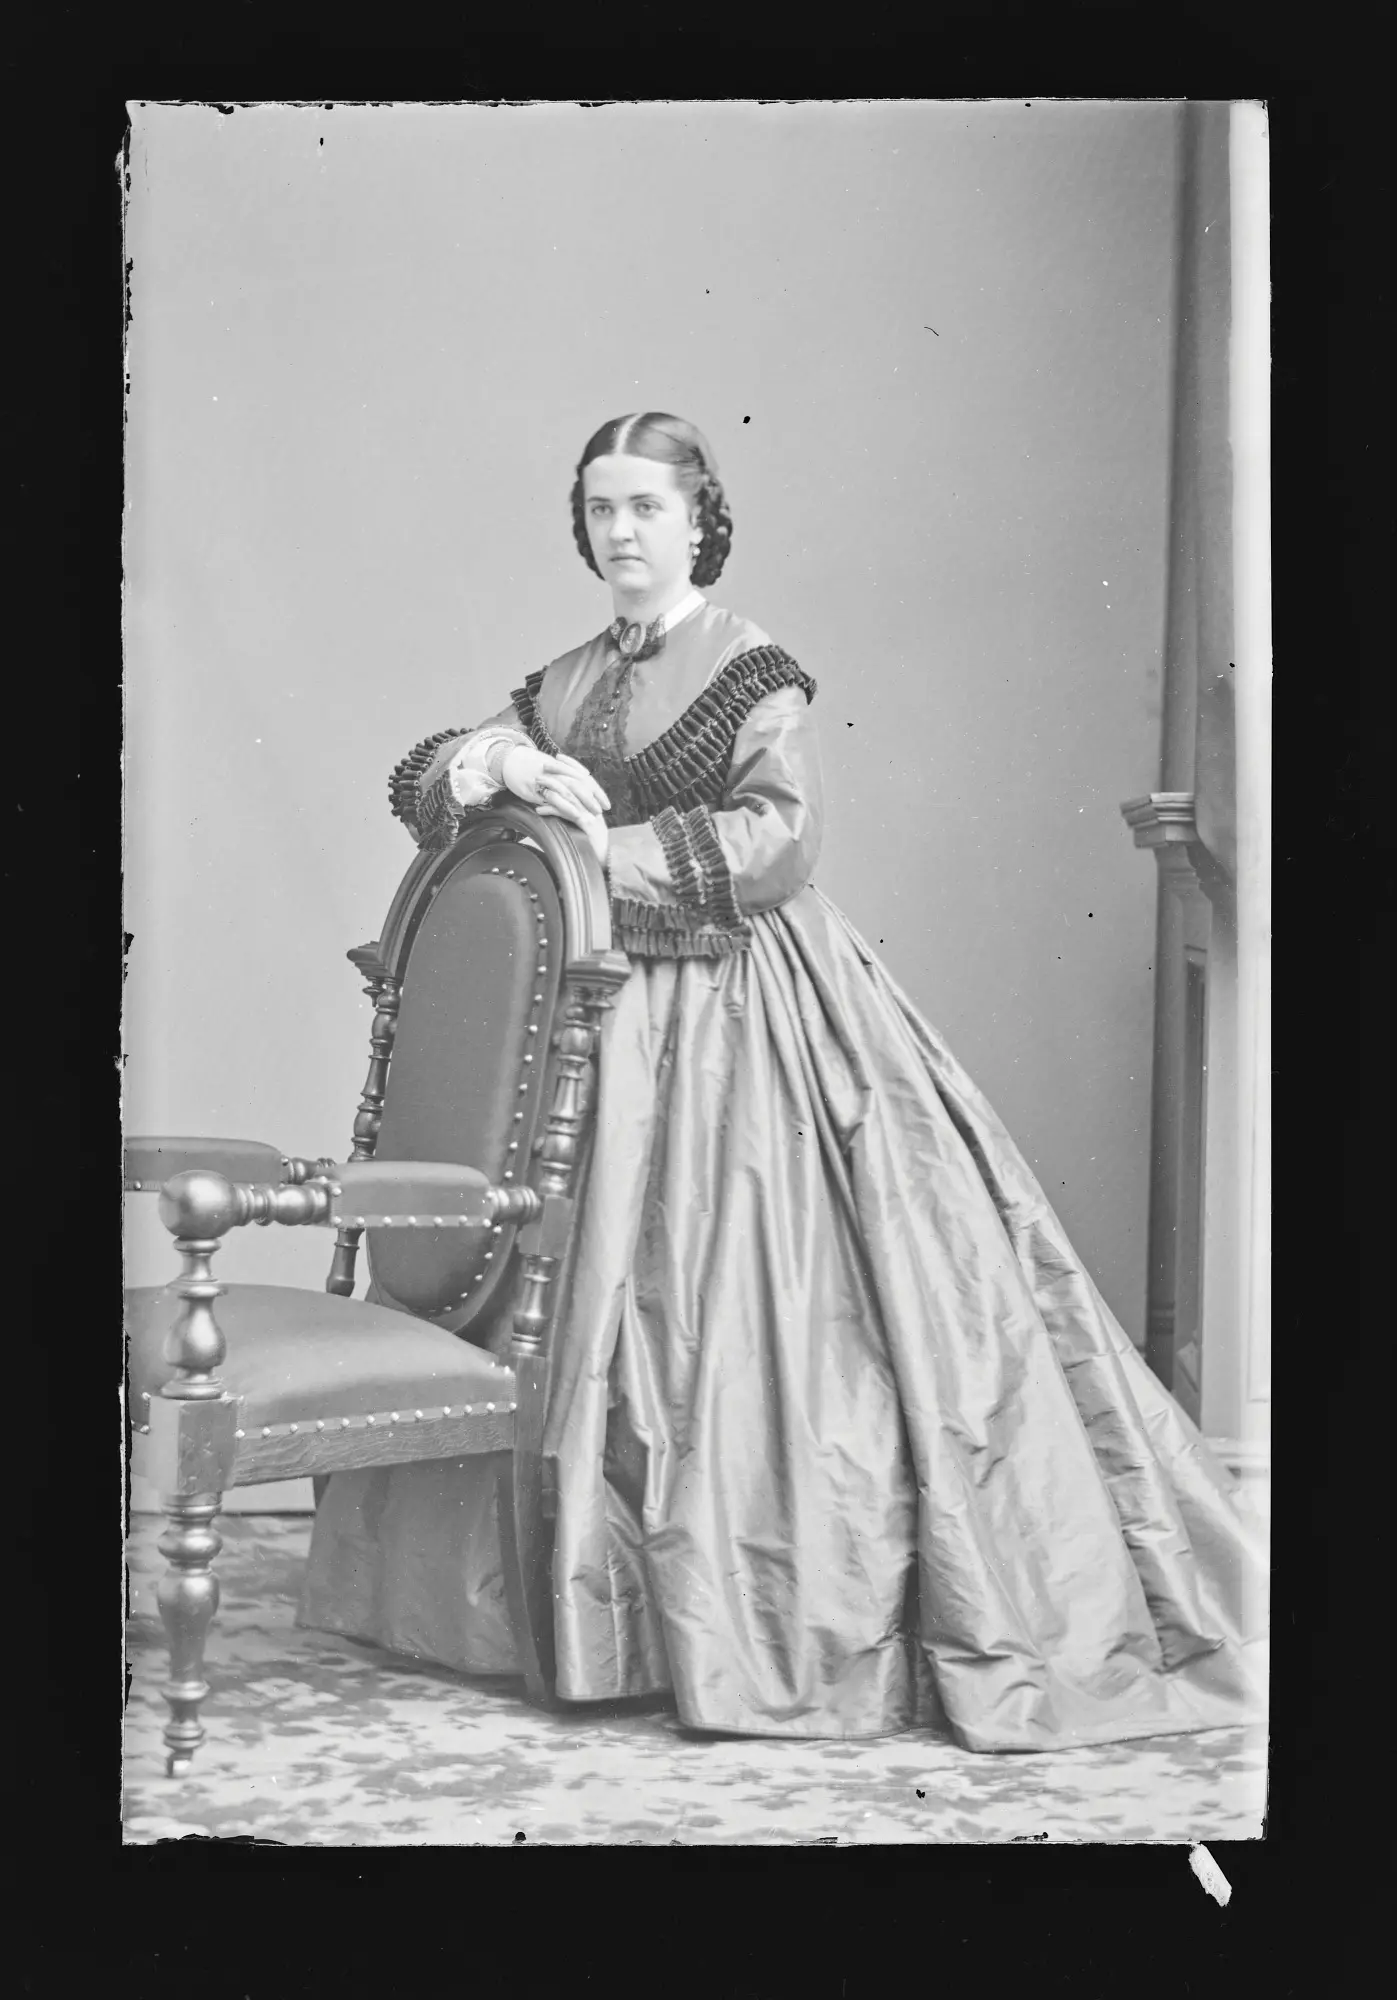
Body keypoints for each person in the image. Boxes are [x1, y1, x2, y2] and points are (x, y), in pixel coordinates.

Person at [301, 412, 1266, 1752]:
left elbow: (780, 839)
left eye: (646, 508)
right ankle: (541, 1606)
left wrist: (599, 857)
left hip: (740, 1010)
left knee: (742, 1294)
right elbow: (433, 780)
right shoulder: (565, 679)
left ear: (700, 519)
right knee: (563, 1277)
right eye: (600, 509)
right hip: (587, 1017)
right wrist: (505, 763)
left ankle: (736, 1610)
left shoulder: (748, 664)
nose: (621, 532)